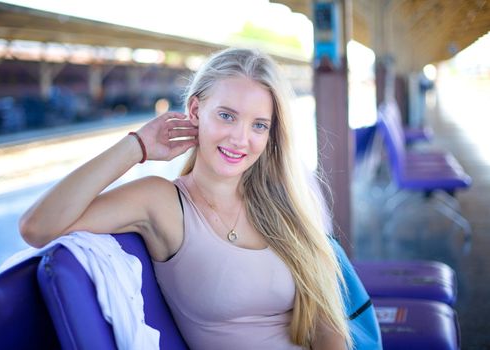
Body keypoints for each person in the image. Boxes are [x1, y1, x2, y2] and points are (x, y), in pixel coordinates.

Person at [20, 47, 351, 349]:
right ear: (195, 109)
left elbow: (327, 327)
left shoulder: (281, 202)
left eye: (259, 125)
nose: (240, 139)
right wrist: (137, 146)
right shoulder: (162, 202)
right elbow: (37, 227)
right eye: (226, 116)